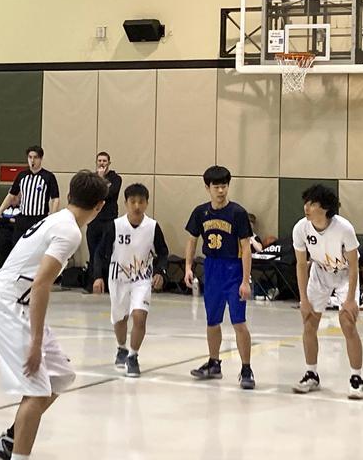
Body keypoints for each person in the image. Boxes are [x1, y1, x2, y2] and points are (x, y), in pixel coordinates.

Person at [0, 170, 107, 460]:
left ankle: (12, 436)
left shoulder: (58, 219)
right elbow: (41, 284)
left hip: (19, 305)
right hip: (7, 306)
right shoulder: (69, 231)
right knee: (38, 391)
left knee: (61, 377)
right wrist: (36, 342)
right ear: (99, 206)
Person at [292, 184, 363, 400]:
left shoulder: (344, 228)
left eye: (312, 203)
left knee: (348, 323)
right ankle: (311, 374)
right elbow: (300, 265)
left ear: (324, 208)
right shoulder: (300, 229)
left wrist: (350, 299)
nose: (307, 207)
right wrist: (303, 298)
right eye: (306, 202)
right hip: (319, 273)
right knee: (309, 323)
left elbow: (354, 267)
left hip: (344, 276)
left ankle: (356, 378)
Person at [184, 166, 255, 389]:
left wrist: (245, 280)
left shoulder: (237, 213)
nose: (221, 190)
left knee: (238, 322)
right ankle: (214, 363)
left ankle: (246, 368)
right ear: (208, 188)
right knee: (212, 321)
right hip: (212, 268)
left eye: (224, 186)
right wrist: (188, 267)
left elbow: (245, 247)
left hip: (233, 270)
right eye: (216, 186)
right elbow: (192, 240)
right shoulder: (200, 212)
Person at [93, 183, 168, 377]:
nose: (137, 205)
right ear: (126, 203)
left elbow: (163, 252)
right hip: (117, 278)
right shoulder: (115, 226)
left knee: (139, 317)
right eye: (133, 201)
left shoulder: (152, 226)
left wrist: (160, 271)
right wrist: (98, 276)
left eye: (141, 202)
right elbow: (100, 253)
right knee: (120, 318)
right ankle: (121, 347)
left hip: (141, 279)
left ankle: (133, 356)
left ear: (146, 203)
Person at [0, 145, 60, 248]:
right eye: (30, 157)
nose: (32, 160)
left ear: (41, 159)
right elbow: (11, 195)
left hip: (39, 219)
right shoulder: (22, 175)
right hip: (23, 219)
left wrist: (52, 218)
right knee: (17, 247)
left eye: (35, 157)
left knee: (36, 248)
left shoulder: (48, 177)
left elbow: (55, 199)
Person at [88, 151, 122, 294]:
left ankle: (108, 284)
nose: (101, 163)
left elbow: (109, 194)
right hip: (94, 219)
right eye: (99, 161)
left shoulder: (115, 178)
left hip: (109, 220)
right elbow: (89, 194)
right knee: (93, 252)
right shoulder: (91, 178)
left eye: (104, 161)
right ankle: (93, 282)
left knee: (107, 252)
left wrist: (101, 180)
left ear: (109, 163)